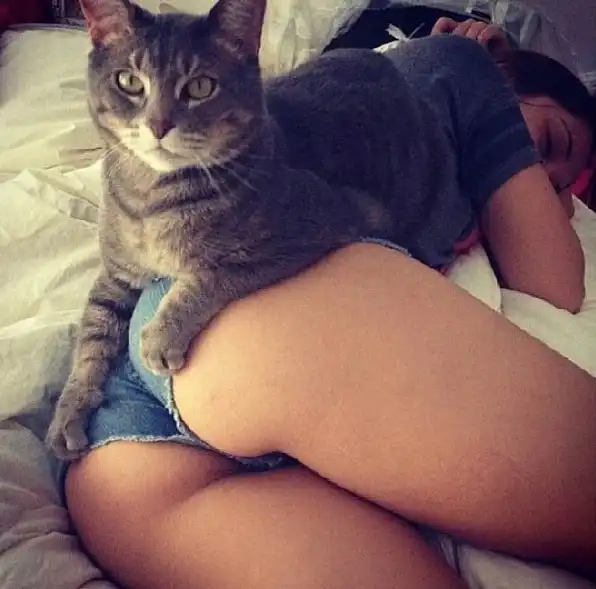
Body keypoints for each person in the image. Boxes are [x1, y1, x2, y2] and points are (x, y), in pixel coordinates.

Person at [62, 17, 596, 589]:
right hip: (234, 326)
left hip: (125, 461)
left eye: (561, 183)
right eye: (546, 145)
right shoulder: (463, 66)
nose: (542, 179)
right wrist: (494, 97)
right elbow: (554, 282)